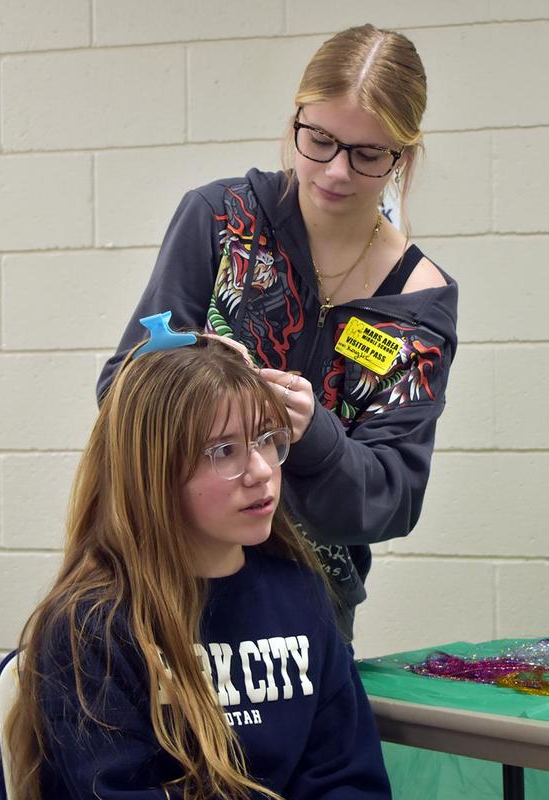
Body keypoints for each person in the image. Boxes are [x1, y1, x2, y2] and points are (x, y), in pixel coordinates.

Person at [97, 23, 458, 641]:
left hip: (306, 604)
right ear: (295, 120)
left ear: (406, 156)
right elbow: (119, 389)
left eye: (368, 154)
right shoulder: (219, 218)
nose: (337, 172)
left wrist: (313, 434)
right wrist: (202, 378)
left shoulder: (416, 302)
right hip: (169, 576)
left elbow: (392, 499)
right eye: (318, 140)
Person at [0, 328, 391, 800]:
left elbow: (349, 778)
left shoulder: (303, 594)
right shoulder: (90, 628)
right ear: (153, 471)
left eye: (268, 439)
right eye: (224, 450)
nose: (263, 471)